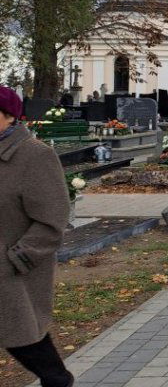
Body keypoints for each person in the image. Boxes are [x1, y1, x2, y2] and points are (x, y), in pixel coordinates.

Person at [0, 86, 74, 387]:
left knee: (26, 341)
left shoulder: (35, 156)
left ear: (8, 116)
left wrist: (16, 259)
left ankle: (59, 382)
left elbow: (52, 220)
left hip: (11, 272)